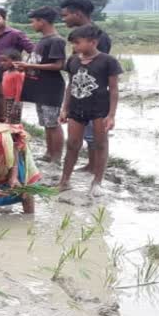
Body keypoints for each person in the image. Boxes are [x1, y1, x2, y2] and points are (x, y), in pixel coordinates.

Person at [58, 24, 122, 197]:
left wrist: (111, 115)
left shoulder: (108, 61)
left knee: (101, 144)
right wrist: (64, 108)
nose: (74, 47)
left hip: (100, 110)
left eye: (77, 43)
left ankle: (97, 182)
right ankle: (64, 180)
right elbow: (70, 84)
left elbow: (114, 89)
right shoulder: (73, 60)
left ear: (93, 42)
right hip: (76, 108)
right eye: (73, 44)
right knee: (72, 144)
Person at [60, 0, 111, 173]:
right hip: (79, 95)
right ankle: (91, 165)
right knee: (84, 137)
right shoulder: (81, 36)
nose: (63, 19)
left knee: (95, 137)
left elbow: (98, 69)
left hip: (93, 96)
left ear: (78, 14)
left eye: (65, 15)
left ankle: (95, 168)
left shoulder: (97, 37)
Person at [14, 6, 66, 163]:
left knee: (53, 123)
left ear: (42, 22)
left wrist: (29, 66)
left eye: (33, 22)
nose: (32, 25)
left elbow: (59, 65)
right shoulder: (44, 40)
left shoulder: (56, 41)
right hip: (40, 86)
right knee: (46, 123)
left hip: (50, 87)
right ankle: (49, 154)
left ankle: (56, 157)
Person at [0, 49, 25, 124]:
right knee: (5, 122)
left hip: (13, 102)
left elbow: (19, 91)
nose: (2, 63)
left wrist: (15, 106)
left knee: (12, 123)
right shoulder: (5, 73)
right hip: (5, 101)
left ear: (15, 61)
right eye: (1, 61)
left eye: (5, 61)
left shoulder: (18, 74)